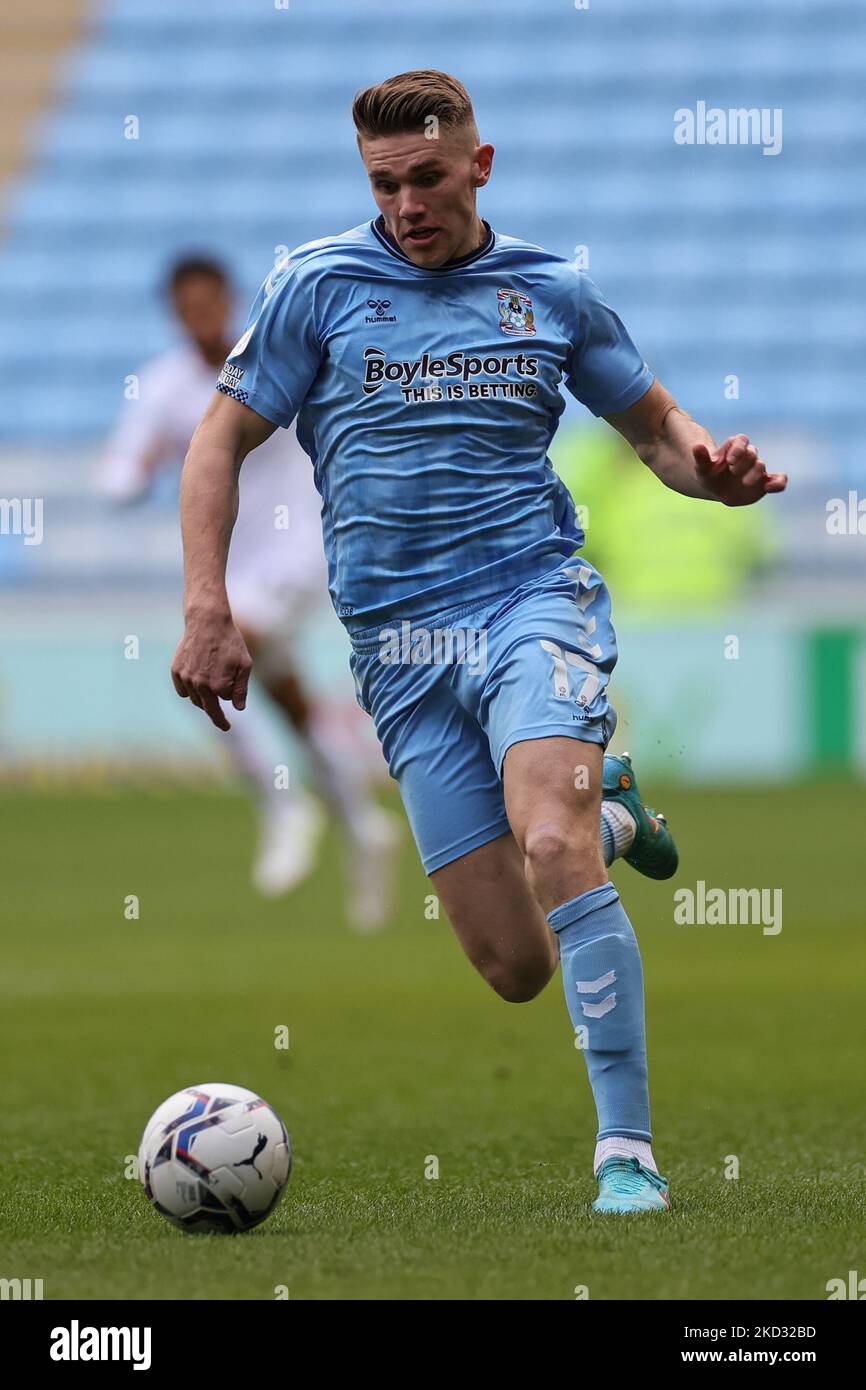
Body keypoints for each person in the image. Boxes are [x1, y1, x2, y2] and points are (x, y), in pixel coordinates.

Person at [169, 72, 787, 1213]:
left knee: (550, 849)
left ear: (480, 165)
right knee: (513, 966)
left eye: (428, 179)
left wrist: (713, 474)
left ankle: (626, 1154)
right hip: (397, 654)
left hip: (526, 602)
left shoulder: (551, 292)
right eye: (384, 184)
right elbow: (217, 446)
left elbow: (653, 428)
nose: (407, 204)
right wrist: (206, 603)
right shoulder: (316, 287)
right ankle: (614, 810)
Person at [98, 256, 397, 928]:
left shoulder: (272, 355)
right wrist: (137, 472)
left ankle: (286, 804)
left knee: (239, 642)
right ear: (174, 312)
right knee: (270, 693)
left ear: (229, 300)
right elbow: (114, 476)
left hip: (301, 547)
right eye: (187, 306)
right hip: (227, 563)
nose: (201, 315)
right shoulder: (163, 386)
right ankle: (360, 823)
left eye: (210, 301)